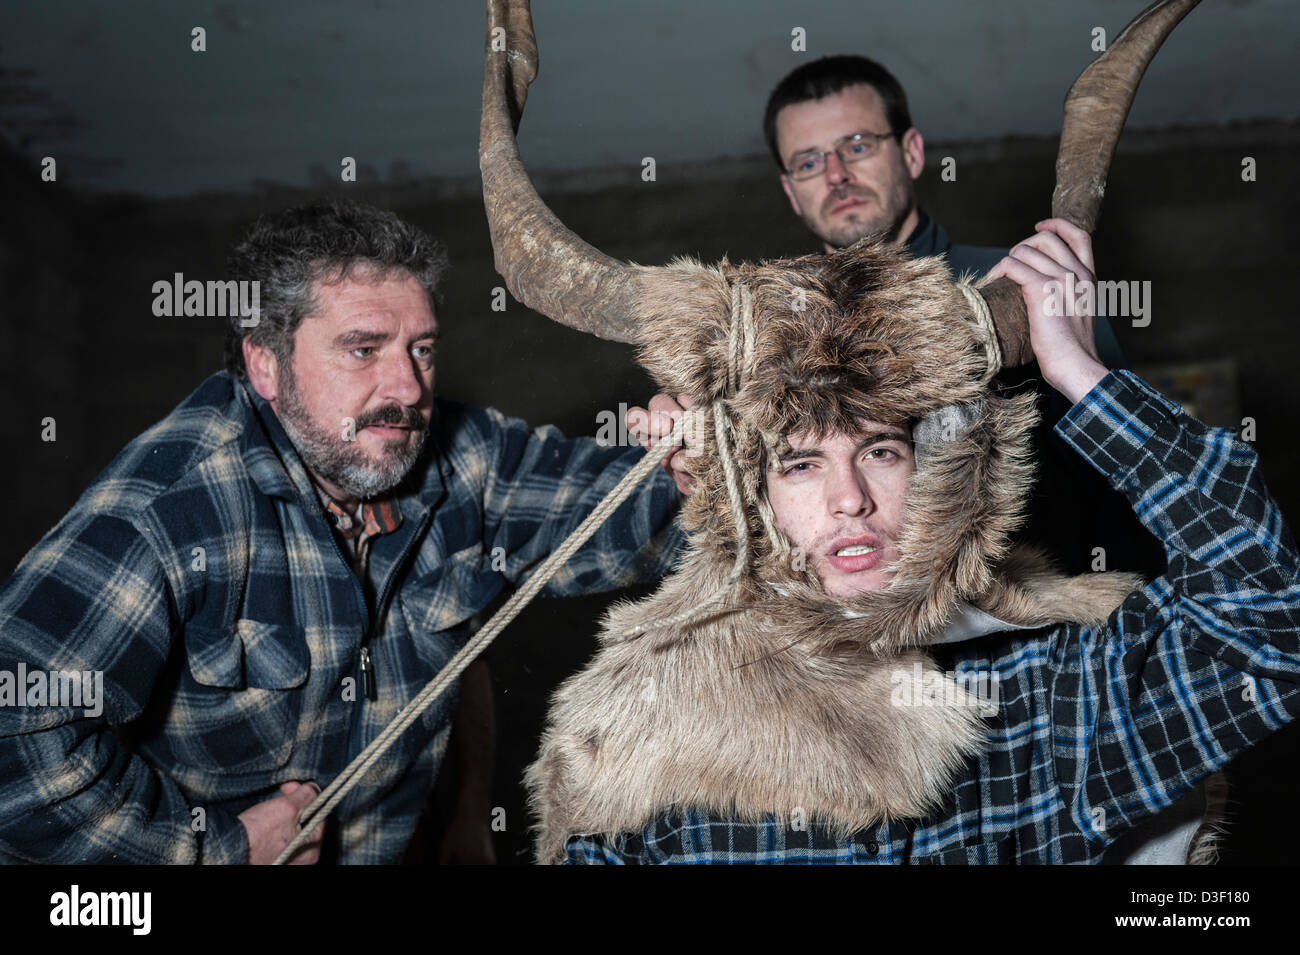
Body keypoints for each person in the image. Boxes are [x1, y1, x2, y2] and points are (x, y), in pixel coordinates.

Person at [528, 220, 1298, 864]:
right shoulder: (642, 731)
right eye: (801, 464)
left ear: (936, 471)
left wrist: (1080, 373)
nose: (850, 499)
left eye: (880, 451)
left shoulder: (1052, 690)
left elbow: (1272, 629)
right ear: (751, 497)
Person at [0, 198, 684, 865]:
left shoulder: (459, 455)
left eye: (422, 348)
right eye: (363, 349)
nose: (409, 387)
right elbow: (13, 734)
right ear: (266, 364)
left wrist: (698, 461)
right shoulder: (170, 506)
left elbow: (642, 515)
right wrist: (214, 848)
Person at [763, 55, 1161, 580]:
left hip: (1051, 629)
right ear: (791, 190)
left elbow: (1129, 486)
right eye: (809, 162)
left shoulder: (1031, 286)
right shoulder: (775, 330)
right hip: (871, 648)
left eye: (857, 146)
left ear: (911, 152)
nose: (837, 175)